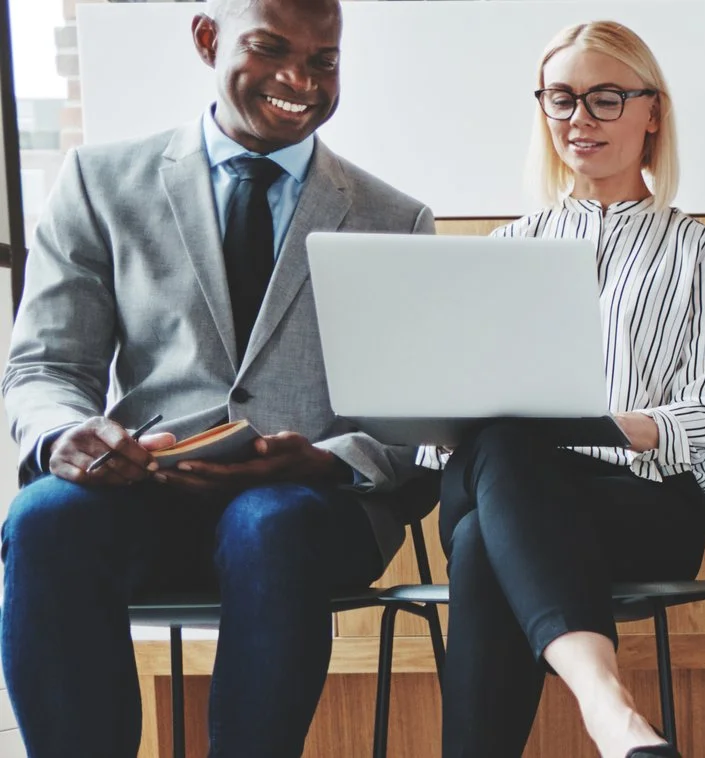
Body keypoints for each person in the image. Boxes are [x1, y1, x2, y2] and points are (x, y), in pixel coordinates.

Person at [0, 0, 436, 753]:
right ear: (207, 39)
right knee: (43, 517)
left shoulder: (395, 219)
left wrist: (327, 460)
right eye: (271, 50)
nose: (300, 80)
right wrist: (66, 435)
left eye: (324, 61)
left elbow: (416, 423)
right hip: (144, 494)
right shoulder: (99, 182)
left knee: (267, 522)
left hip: (308, 514)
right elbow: (46, 365)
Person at [418, 21, 705, 758]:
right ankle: (609, 708)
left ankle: (603, 705)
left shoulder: (702, 253)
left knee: (480, 541)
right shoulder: (503, 251)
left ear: (651, 111)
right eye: (561, 100)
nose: (579, 120)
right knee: (501, 451)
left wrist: (599, 425)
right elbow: (449, 441)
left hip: (642, 509)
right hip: (511, 487)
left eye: (604, 98)